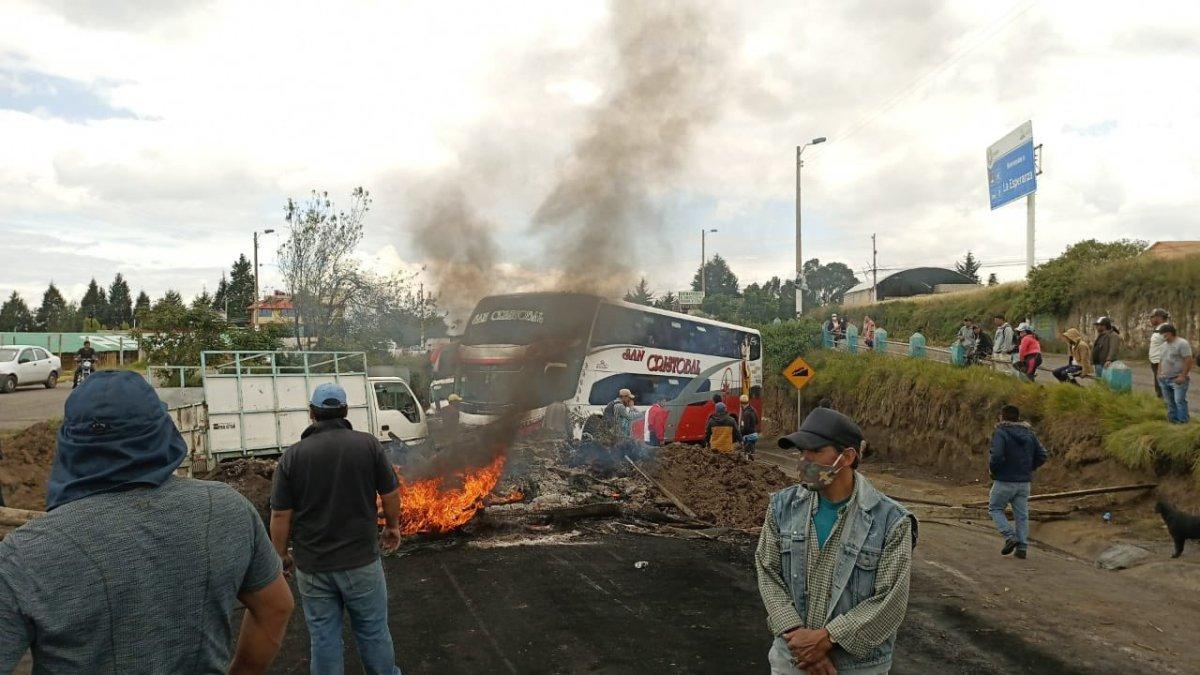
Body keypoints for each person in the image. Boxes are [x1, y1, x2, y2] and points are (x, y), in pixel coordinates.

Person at [0, 371, 294, 674]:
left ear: (70, 443)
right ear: (163, 432)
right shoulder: (226, 508)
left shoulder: (25, 552)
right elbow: (276, 608)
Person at [756, 408, 915, 674]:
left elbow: (890, 601)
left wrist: (828, 638)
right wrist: (803, 643)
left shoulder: (891, 522)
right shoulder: (782, 507)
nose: (804, 461)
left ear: (848, 456)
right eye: (801, 452)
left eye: (815, 451)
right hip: (792, 659)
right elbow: (767, 572)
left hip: (857, 666)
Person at [270, 382, 403, 675]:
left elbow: (280, 515)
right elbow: (391, 494)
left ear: (311, 414)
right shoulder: (368, 445)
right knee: (373, 631)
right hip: (361, 563)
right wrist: (392, 527)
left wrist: (280, 556)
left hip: (313, 567)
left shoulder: (293, 456)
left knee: (323, 638)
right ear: (345, 412)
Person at [988, 405, 1048, 560]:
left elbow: (997, 455)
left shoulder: (1001, 432)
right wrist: (1029, 468)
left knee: (995, 508)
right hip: (1024, 482)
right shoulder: (1029, 433)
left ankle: (1010, 536)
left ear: (1002, 417)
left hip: (1004, 480)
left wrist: (994, 471)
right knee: (1021, 515)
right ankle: (1022, 548)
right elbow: (1042, 455)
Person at [1156, 324, 1193, 424]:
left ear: (1169, 333)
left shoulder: (1182, 343)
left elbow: (1188, 360)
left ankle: (1183, 422)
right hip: (1165, 379)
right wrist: (1159, 374)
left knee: (1179, 401)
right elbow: (1161, 360)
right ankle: (1172, 421)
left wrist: (1183, 376)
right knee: (1169, 402)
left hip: (1177, 378)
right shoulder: (1163, 345)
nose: (1162, 336)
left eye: (1163, 334)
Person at [1149, 308, 1170, 398]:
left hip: (1161, 363)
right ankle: (1162, 405)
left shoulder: (1165, 329)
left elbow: (1171, 345)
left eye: (1152, 317)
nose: (1151, 319)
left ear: (1159, 317)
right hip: (1155, 362)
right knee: (1159, 386)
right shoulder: (1159, 329)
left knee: (1162, 387)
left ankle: (1166, 406)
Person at [739, 394, 759, 458]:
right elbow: (757, 422)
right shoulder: (754, 410)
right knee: (752, 453)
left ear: (741, 403)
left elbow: (745, 427)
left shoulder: (746, 413)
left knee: (747, 454)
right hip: (753, 434)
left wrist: (741, 435)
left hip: (747, 436)